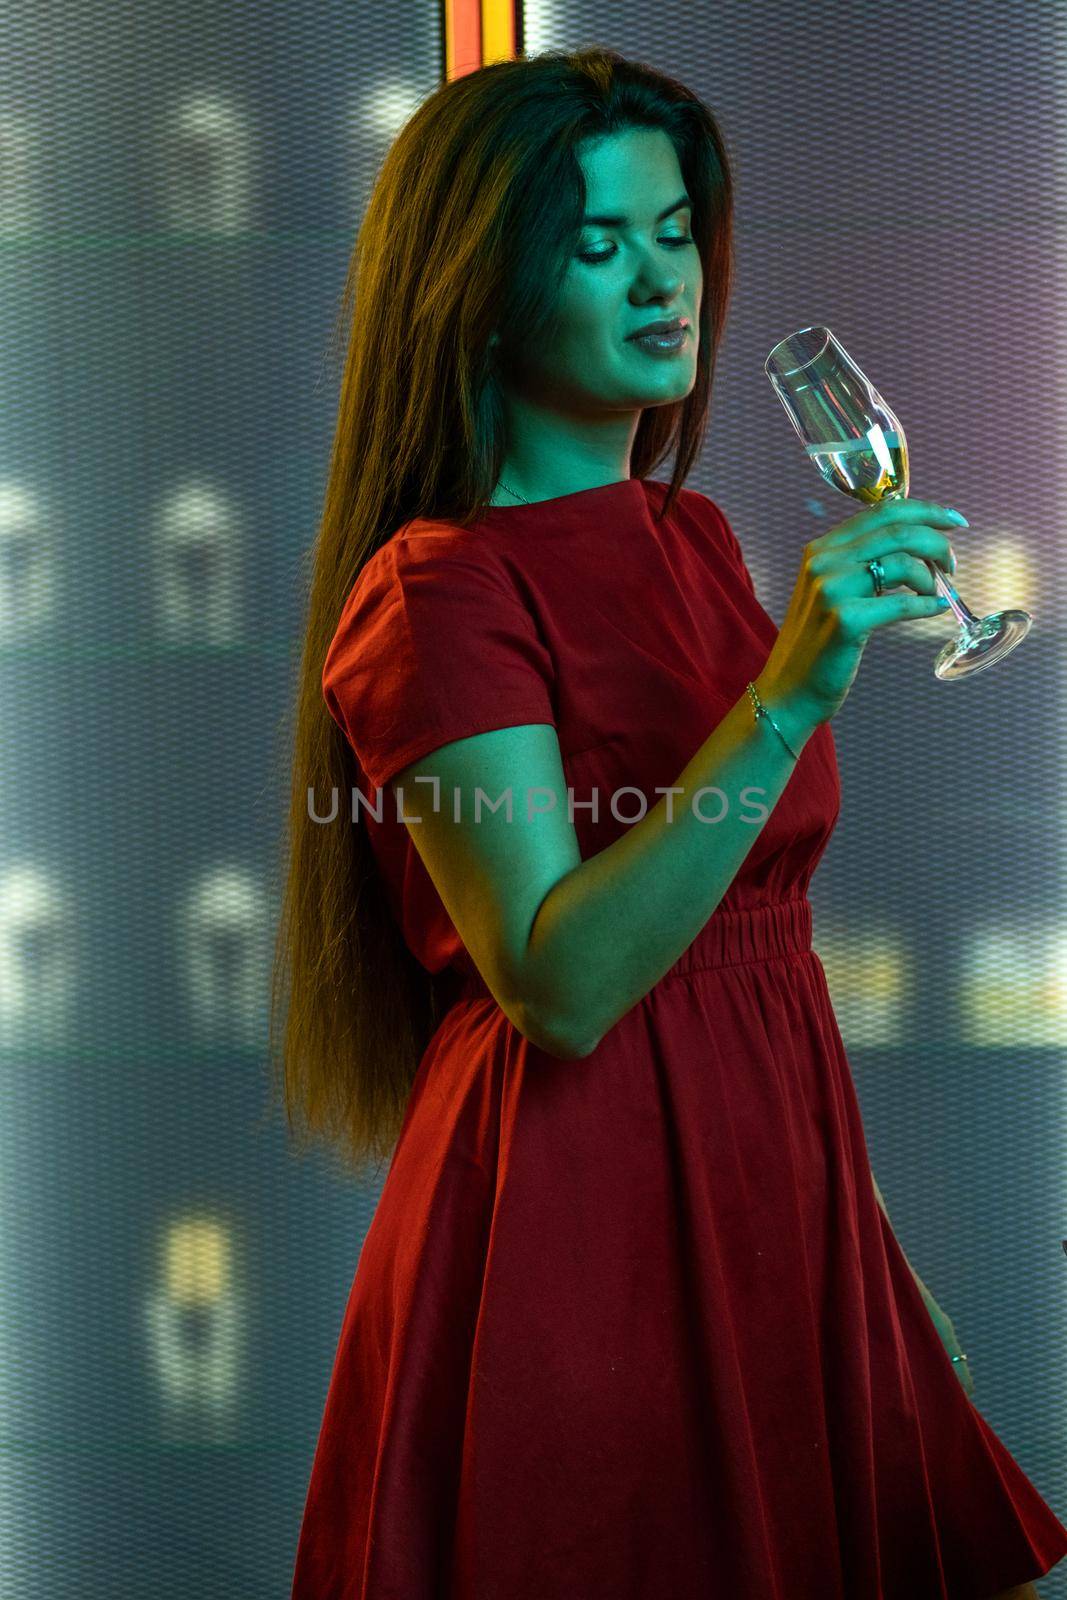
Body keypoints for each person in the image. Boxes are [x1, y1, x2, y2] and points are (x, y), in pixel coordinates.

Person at [276, 47, 1067, 1599]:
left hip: (779, 1204)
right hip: (581, 1235)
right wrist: (783, 697)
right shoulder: (439, 589)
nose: (666, 282)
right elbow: (560, 983)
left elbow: (755, 964)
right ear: (480, 289)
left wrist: (875, 1276)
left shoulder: (693, 536)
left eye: (676, 230)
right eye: (597, 244)